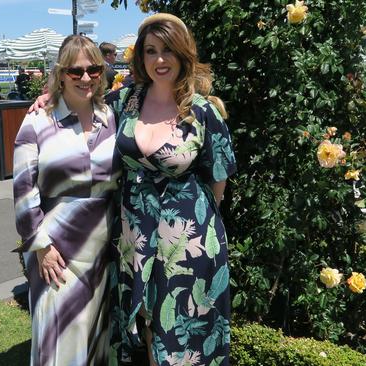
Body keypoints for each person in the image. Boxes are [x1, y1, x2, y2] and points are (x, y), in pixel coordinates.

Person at [29, 13, 237, 365]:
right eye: (151, 50)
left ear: (184, 54)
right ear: (140, 56)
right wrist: (49, 96)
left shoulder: (202, 111)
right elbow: (82, 96)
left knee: (184, 330)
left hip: (188, 240)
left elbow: (218, 182)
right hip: (134, 236)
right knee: (148, 325)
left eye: (168, 50)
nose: (159, 59)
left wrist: (190, 224)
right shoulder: (125, 101)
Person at [13, 35, 119, 365]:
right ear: (60, 74)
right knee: (56, 336)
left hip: (101, 250)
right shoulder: (38, 121)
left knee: (94, 337)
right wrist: (41, 247)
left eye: (94, 70)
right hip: (55, 250)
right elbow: (23, 189)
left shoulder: (110, 117)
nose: (85, 78)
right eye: (75, 71)